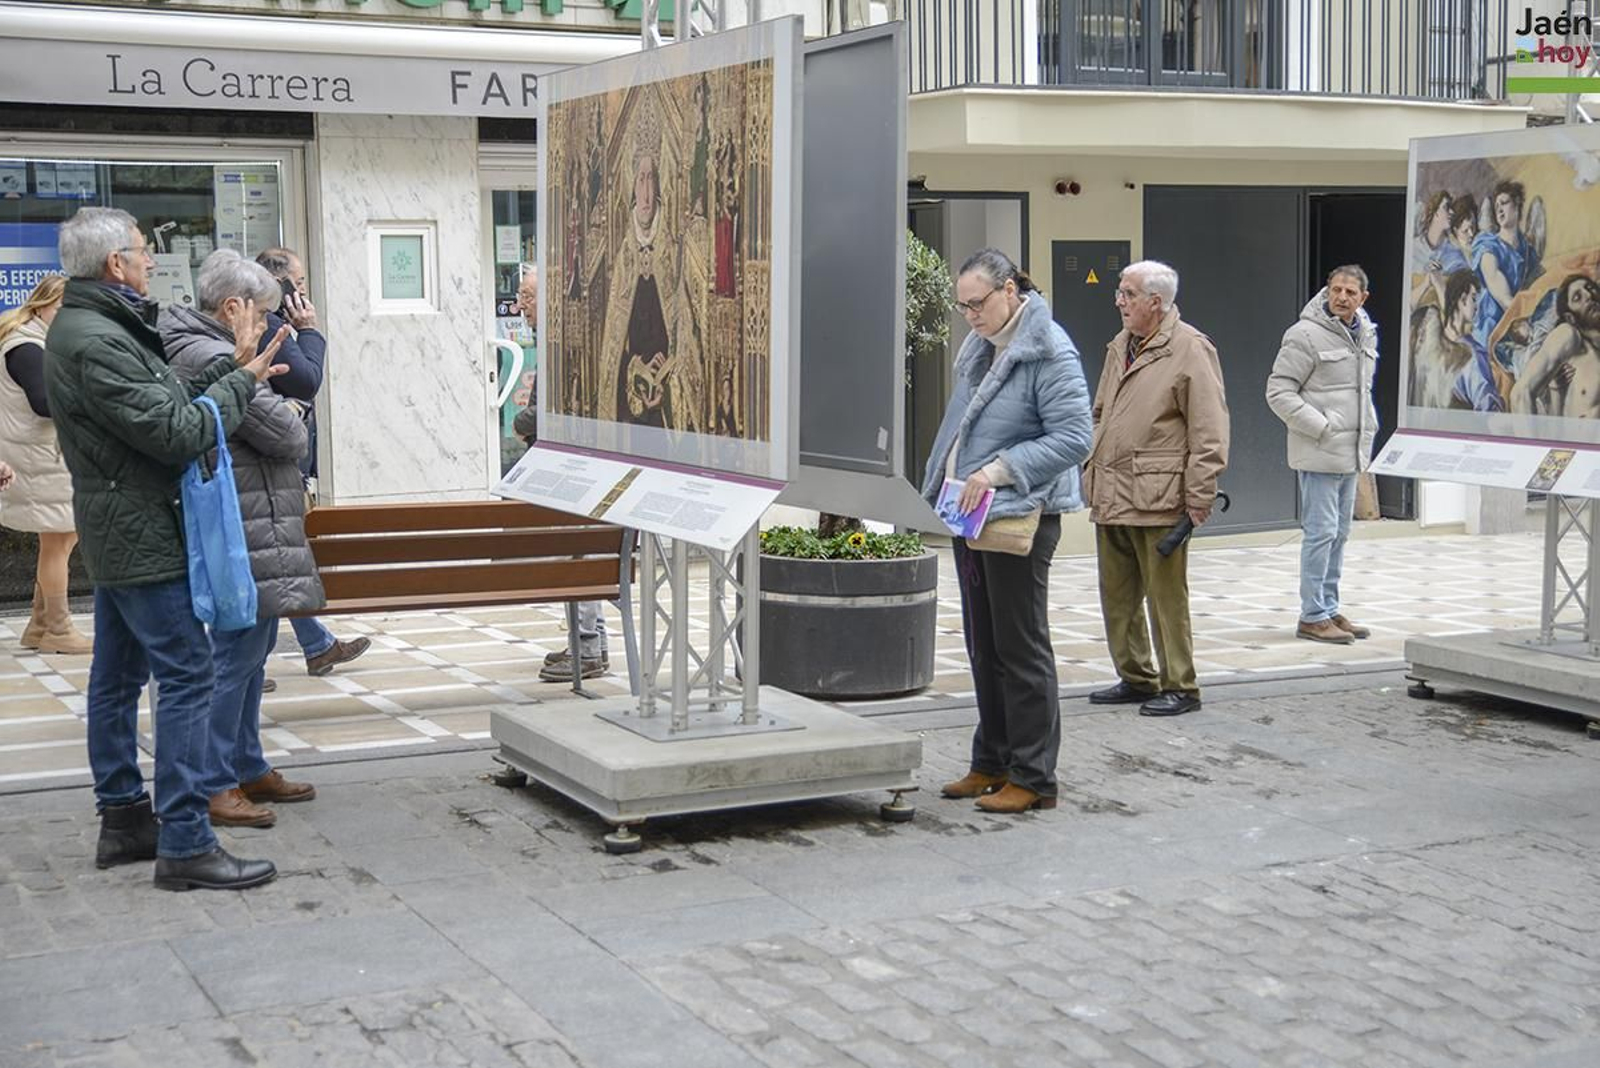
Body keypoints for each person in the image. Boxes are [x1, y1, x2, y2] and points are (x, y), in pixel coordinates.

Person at [44, 206, 282, 891]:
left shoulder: (103, 325)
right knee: (187, 675)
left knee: (118, 677)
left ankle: (124, 819)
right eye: (145, 252)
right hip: (139, 527)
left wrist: (233, 369)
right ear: (116, 263)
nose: (153, 262)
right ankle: (184, 839)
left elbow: (169, 403)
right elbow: (177, 435)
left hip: (123, 523)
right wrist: (240, 381)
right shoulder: (95, 337)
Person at [920, 248, 1092, 814]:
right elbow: (961, 424)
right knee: (983, 643)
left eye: (978, 303)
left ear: (1011, 290)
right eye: (962, 306)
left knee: (1020, 647)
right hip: (968, 515)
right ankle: (991, 760)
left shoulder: (1050, 351)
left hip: (1020, 516)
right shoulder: (982, 343)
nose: (968, 315)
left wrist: (998, 470)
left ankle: (1034, 776)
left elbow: (1074, 438)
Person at [161, 249, 325, 831]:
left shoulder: (208, 344)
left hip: (255, 516)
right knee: (233, 657)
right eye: (264, 317)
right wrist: (294, 409)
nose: (272, 329)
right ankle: (214, 781)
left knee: (252, 655)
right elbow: (285, 433)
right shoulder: (211, 352)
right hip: (240, 519)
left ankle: (247, 763)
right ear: (233, 309)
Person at [1084, 261, 1229, 718]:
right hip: (1111, 491)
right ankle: (1137, 676)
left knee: (1166, 599)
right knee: (1118, 596)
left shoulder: (1190, 349)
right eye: (1119, 292)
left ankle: (1181, 686)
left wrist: (1200, 493)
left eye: (1127, 293)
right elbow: (1100, 412)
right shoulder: (1119, 347)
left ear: (1156, 302)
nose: (1118, 300)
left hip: (1160, 496)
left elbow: (1209, 429)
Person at [254, 246, 370, 680]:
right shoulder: (270, 328)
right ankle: (251, 663)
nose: (303, 292)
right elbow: (307, 380)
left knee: (279, 564)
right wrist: (310, 332)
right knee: (277, 565)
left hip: (276, 470)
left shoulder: (267, 325)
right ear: (278, 284)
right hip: (271, 472)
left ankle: (316, 644)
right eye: (298, 284)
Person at [1266, 266, 1380, 646]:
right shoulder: (1304, 334)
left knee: (1340, 533)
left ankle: (1329, 607)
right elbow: (1279, 391)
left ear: (1363, 297)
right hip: (1320, 450)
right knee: (1320, 533)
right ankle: (1312, 615)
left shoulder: (1364, 332)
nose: (1342, 297)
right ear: (1326, 292)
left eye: (1350, 291)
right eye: (1336, 290)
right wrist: (1321, 426)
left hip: (1351, 452)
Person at [523, 263, 609, 683]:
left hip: (577, 471)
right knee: (587, 552)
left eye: (528, 296)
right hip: (588, 468)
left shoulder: (562, 344)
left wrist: (524, 421)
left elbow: (550, 413)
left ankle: (588, 647)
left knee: (579, 553)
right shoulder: (571, 339)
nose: (521, 306)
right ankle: (593, 643)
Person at [1, 275, 93, 655]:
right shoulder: (28, 346)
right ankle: (58, 627)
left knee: (61, 539)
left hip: (41, 457)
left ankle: (39, 624)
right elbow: (45, 402)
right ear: (41, 305)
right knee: (58, 541)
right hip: (41, 458)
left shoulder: (32, 339)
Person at [1511, 274, 1600, 418]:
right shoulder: (1569, 336)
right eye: (1577, 297)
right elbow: (1521, 394)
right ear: (1570, 317)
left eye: (1590, 289)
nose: (1589, 295)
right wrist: (1531, 441)